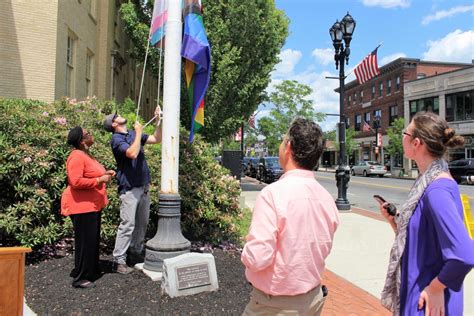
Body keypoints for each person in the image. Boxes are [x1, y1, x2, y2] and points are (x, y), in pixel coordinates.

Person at [241, 117, 340, 315]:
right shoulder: (326, 198)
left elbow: (258, 257)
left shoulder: (272, 194)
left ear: (288, 146)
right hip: (312, 300)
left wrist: (246, 250)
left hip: (273, 305)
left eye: (282, 139)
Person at [380, 112, 474, 315]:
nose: (401, 137)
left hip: (426, 304)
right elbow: (425, 241)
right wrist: (395, 223)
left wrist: (436, 287)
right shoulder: (427, 182)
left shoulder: (436, 190)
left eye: (405, 132)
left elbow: (464, 254)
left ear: (416, 143)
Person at [103, 107, 162, 274]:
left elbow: (156, 139)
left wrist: (159, 122)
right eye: (117, 116)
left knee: (142, 223)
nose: (121, 115)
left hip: (143, 186)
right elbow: (132, 153)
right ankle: (118, 260)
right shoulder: (116, 139)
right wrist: (138, 132)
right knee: (127, 224)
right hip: (129, 188)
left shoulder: (131, 134)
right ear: (114, 123)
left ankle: (135, 252)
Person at [61, 126, 115, 288]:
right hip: (81, 207)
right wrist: (99, 180)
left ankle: (91, 271)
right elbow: (75, 181)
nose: (91, 135)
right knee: (85, 242)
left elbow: (92, 174)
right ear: (81, 141)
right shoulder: (76, 156)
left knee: (91, 240)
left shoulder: (86, 155)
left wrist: (105, 174)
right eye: (87, 134)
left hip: (91, 206)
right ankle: (80, 277)